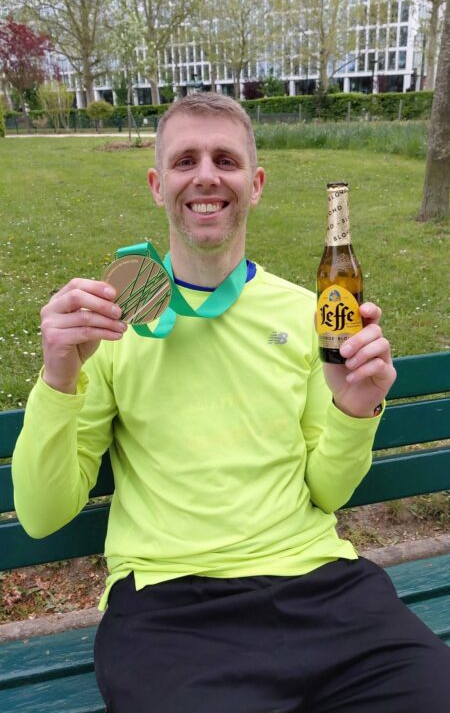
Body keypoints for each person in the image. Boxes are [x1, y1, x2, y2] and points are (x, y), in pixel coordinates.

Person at [12, 93, 450, 713]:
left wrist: (354, 411)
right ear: (157, 185)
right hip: (171, 608)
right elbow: (41, 515)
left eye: (225, 160)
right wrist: (58, 379)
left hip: (321, 587)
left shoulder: (308, 314)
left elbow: (326, 493)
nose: (206, 176)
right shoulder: (107, 326)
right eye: (184, 161)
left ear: (256, 184)